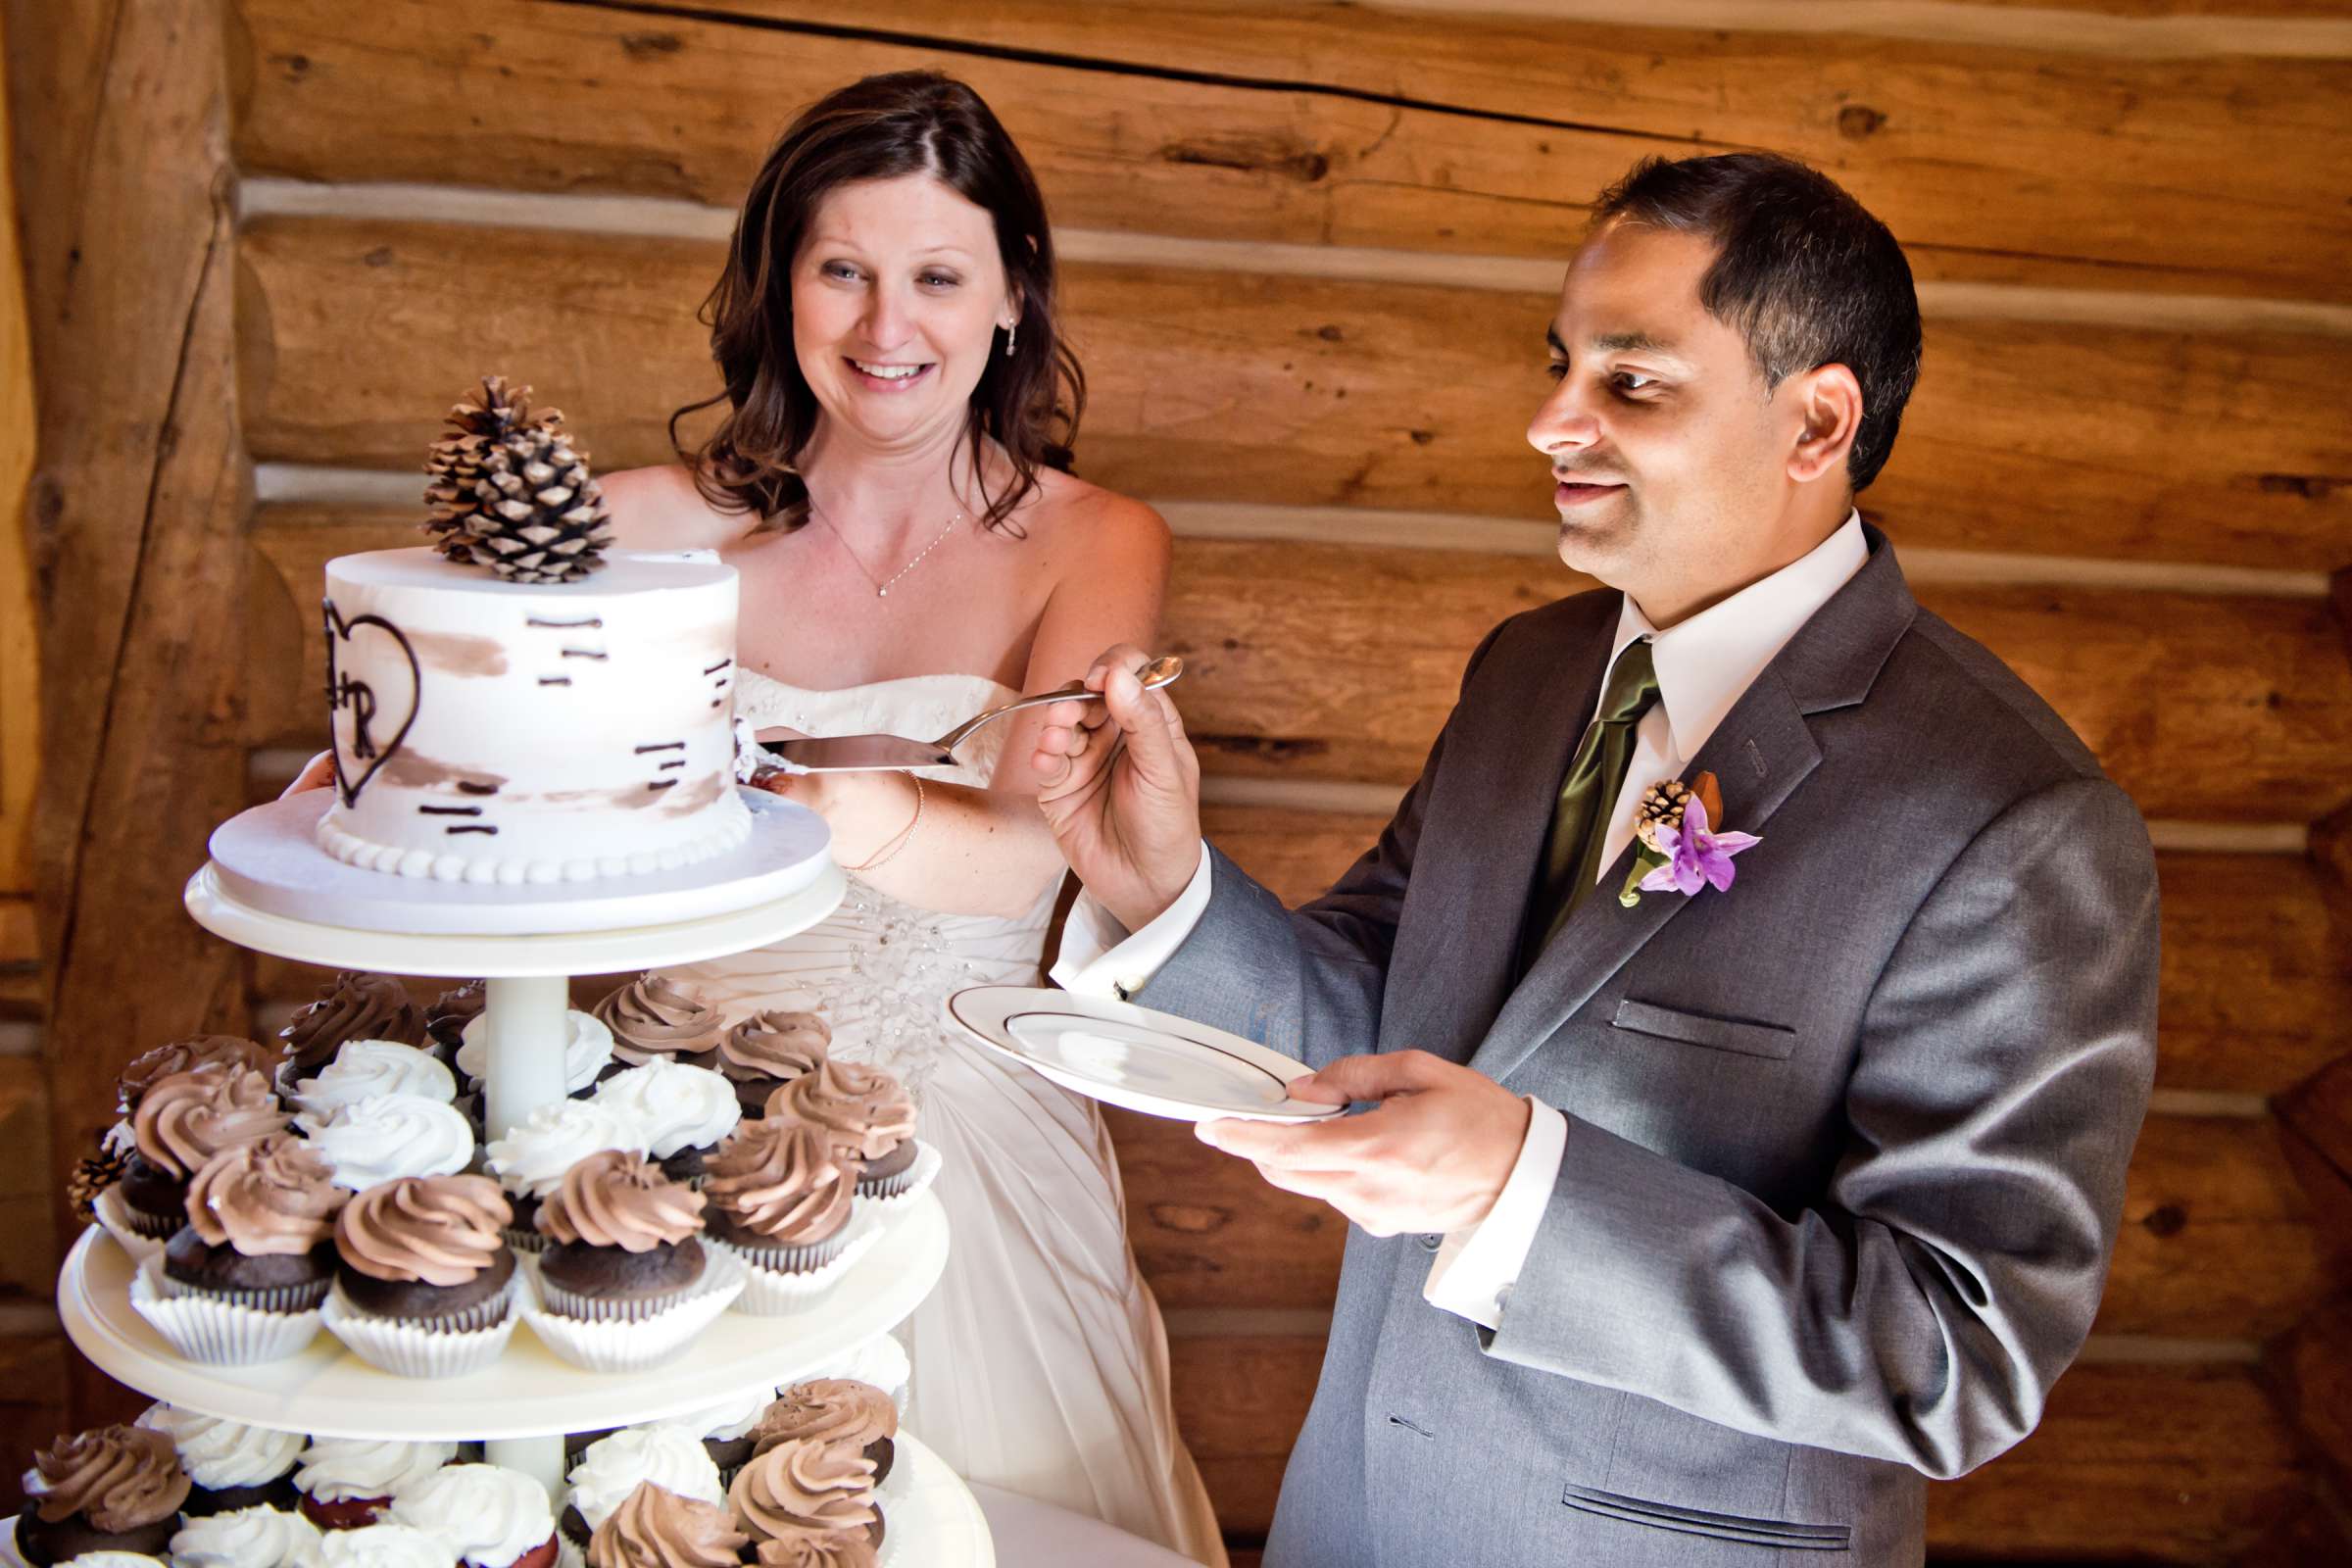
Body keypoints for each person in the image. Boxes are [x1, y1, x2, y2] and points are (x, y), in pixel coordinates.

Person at [1033, 152, 2158, 1567]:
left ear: (1817, 420)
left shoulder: (2012, 819)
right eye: (1562, 366)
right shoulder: (1528, 673)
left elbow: (1951, 1352)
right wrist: (1165, 890)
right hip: (1350, 1520)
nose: (1549, 421)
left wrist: (1527, 1188)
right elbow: (1385, 1032)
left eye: (1630, 384)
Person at [293, 72, 1224, 1565]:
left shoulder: (1097, 538)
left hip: (972, 1126)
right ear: (780, 284)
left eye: (935, 276)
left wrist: (840, 807)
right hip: (685, 1121)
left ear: (1010, 299)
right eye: (841, 270)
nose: (884, 327)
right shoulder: (646, 524)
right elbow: (430, 688)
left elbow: (1025, 848)